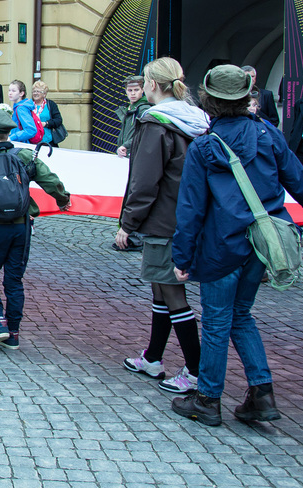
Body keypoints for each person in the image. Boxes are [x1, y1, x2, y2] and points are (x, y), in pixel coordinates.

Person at [171, 65, 303, 427]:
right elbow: (300, 182)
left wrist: (181, 256)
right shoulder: (268, 134)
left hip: (221, 245)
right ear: (246, 95)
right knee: (241, 315)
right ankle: (261, 394)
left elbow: (191, 209)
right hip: (263, 243)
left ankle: (208, 399)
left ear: (208, 100)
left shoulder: (204, 147)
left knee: (217, 321)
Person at [116, 58, 209, 396]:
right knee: (161, 288)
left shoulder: (155, 123)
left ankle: (196, 371)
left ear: (152, 85)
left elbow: (145, 180)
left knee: (171, 293)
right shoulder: (196, 119)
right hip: (187, 214)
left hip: (164, 219)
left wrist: (128, 223)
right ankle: (153, 357)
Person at [0, 108, 71, 348]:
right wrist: (63, 199)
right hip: (21, 225)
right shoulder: (26, 156)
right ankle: (14, 333)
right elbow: (51, 180)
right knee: (14, 280)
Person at [115, 76, 150, 158]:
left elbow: (144, 134)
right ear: (126, 91)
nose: (133, 93)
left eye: (136, 90)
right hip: (125, 153)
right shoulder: (128, 109)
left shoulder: (144, 109)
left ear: (142, 90)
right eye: (130, 90)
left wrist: (126, 145)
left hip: (137, 154)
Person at [31, 80, 65, 147]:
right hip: (32, 141)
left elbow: (58, 120)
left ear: (44, 94)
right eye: (34, 91)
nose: (35, 93)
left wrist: (46, 124)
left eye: (38, 91)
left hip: (48, 142)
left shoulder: (51, 104)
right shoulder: (29, 105)